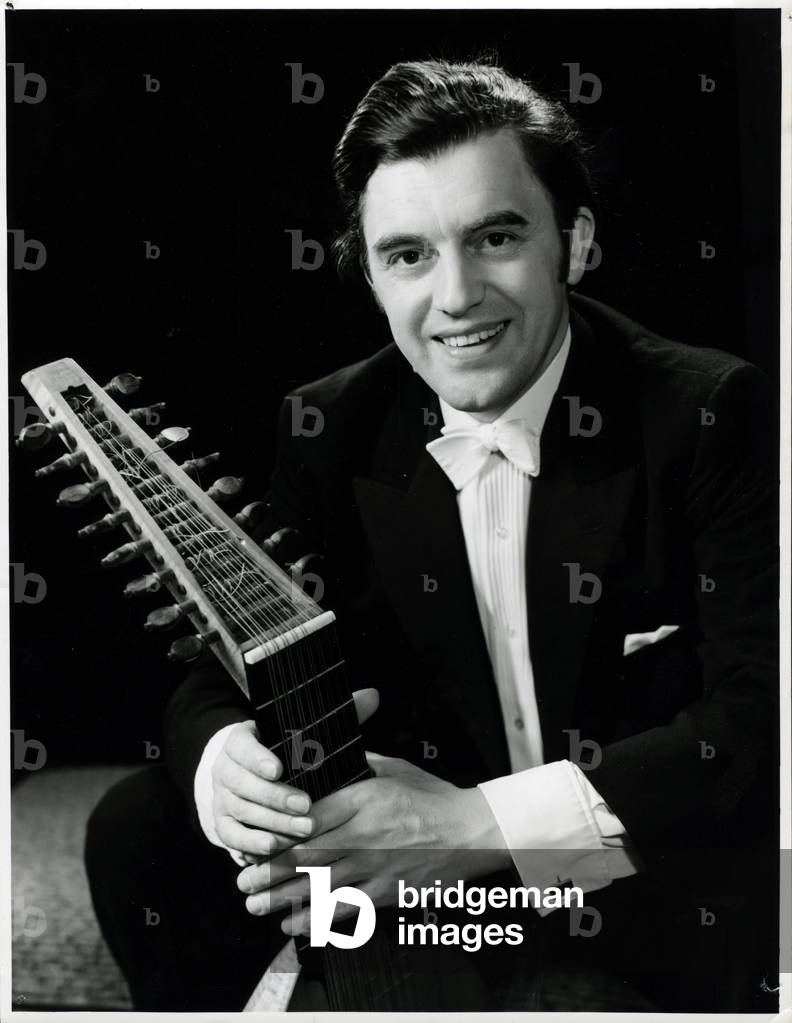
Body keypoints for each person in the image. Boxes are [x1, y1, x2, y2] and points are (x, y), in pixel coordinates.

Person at [85, 59, 779, 1012]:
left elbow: (756, 715)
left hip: (616, 858)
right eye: (408, 254)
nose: (456, 296)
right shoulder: (331, 426)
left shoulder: (708, 411)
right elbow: (224, 666)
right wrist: (223, 763)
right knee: (140, 829)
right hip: (414, 870)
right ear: (372, 275)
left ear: (574, 243)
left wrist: (473, 825)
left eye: (495, 237)